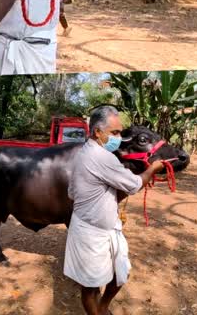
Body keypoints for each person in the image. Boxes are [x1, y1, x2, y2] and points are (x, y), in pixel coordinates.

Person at [64, 106, 166, 315]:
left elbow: (72, 194)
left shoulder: (83, 153)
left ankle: (102, 308)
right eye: (115, 133)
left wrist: (105, 199)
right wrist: (152, 169)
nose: (119, 138)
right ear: (97, 133)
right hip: (90, 233)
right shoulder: (102, 157)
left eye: (120, 132)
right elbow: (135, 184)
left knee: (121, 273)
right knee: (91, 287)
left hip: (108, 228)